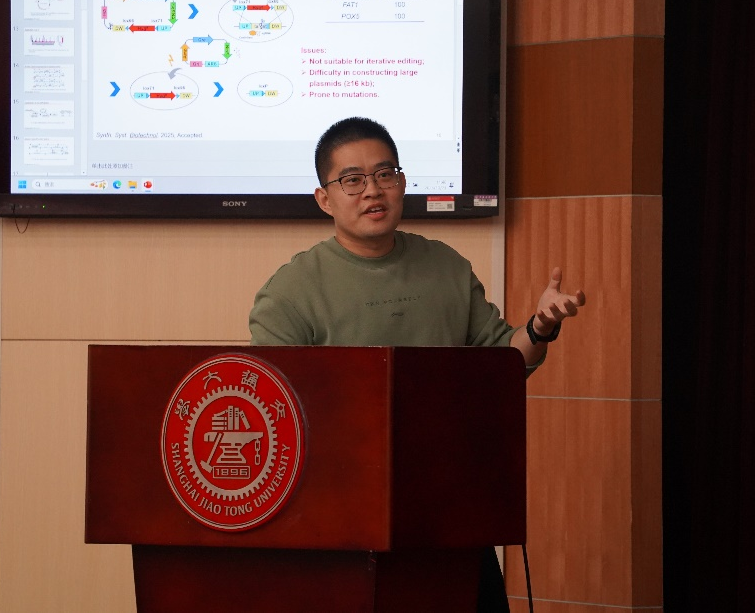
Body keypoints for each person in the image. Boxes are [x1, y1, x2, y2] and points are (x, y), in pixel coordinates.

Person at [249, 116, 584, 611]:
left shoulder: (446, 267)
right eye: (352, 179)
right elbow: (275, 417)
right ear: (325, 199)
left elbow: (503, 363)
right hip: (341, 516)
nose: (372, 190)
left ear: (402, 183)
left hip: (448, 503)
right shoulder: (289, 293)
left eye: (385, 174)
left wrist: (539, 327)